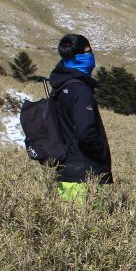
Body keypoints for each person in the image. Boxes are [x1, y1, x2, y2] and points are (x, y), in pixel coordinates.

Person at [49, 33, 112, 201]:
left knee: (65, 223)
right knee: (88, 223)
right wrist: (101, 152)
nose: (91, 56)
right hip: (84, 173)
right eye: (88, 51)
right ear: (79, 56)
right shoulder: (81, 90)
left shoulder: (59, 87)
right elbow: (85, 132)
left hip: (64, 171)